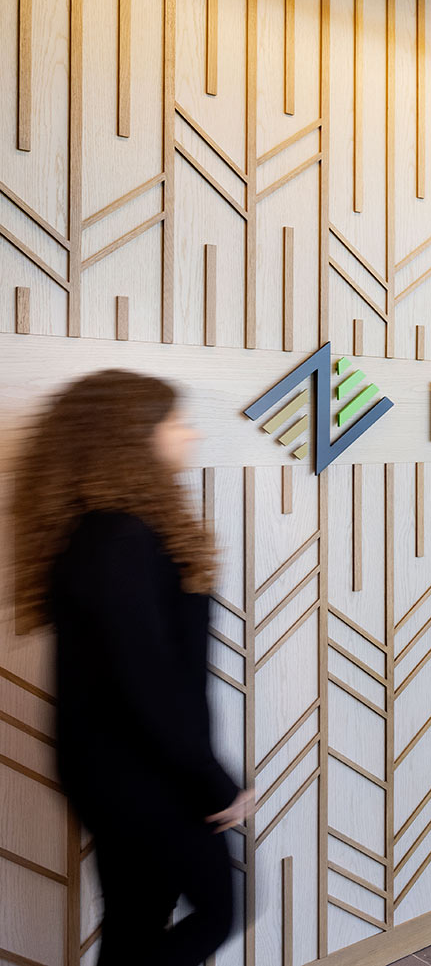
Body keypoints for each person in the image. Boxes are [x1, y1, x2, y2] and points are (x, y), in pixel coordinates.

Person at [11, 371, 251, 965]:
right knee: (217, 912)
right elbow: (143, 680)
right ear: (130, 436)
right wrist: (211, 781)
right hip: (138, 772)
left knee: (136, 921)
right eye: (175, 422)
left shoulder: (117, 530)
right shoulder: (112, 537)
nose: (190, 435)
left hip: (129, 764)